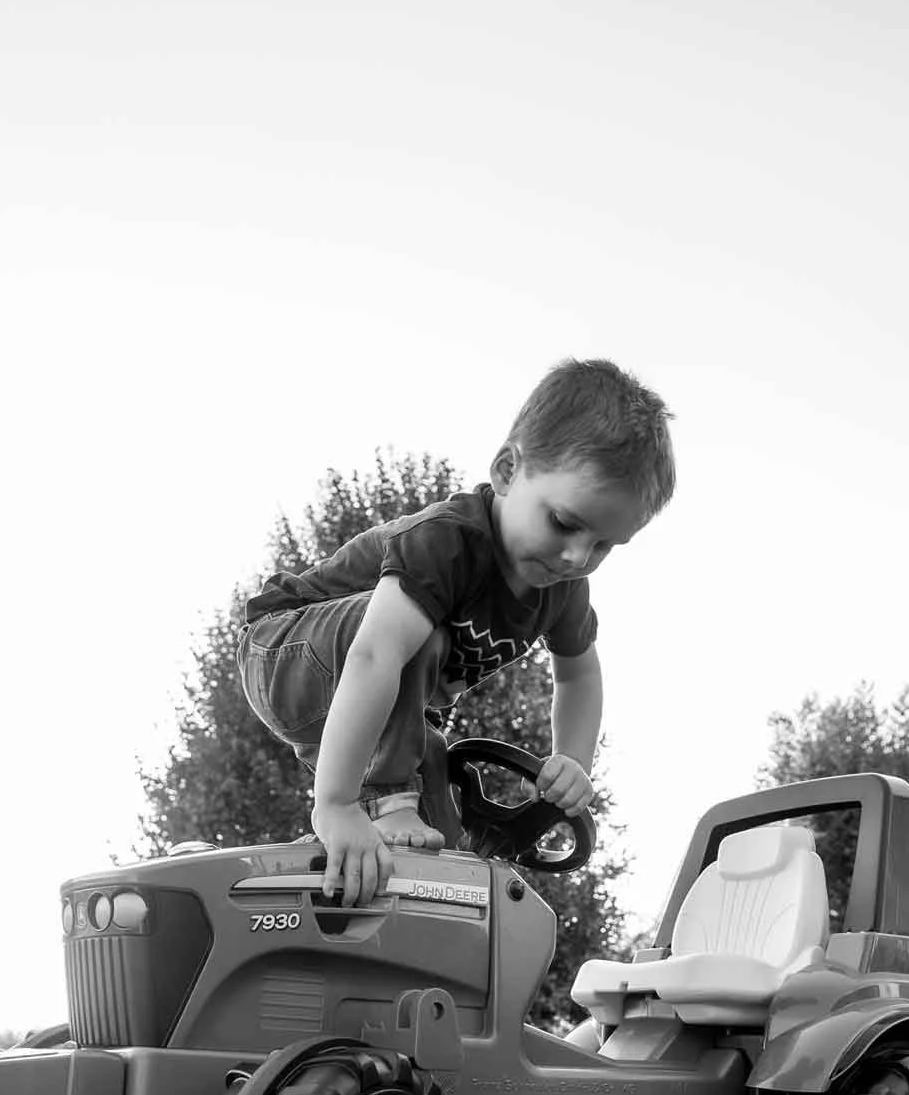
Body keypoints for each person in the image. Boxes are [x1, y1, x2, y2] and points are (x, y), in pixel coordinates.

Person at [238, 357, 675, 906]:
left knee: (440, 814)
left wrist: (573, 761)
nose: (576, 556)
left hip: (379, 690)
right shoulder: (448, 542)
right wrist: (338, 806)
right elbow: (374, 656)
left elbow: (580, 675)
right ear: (508, 472)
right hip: (286, 650)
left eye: (605, 545)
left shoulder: (563, 587)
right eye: (564, 523)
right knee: (419, 643)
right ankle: (377, 799)